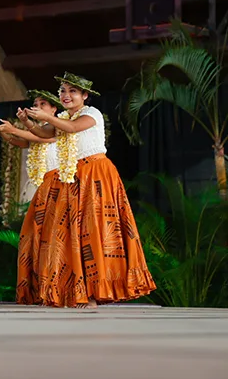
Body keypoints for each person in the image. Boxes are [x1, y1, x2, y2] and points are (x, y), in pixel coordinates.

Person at [21, 73, 156, 308]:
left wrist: (45, 117)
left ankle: (95, 294)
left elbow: (72, 128)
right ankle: (73, 291)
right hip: (73, 177)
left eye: (73, 91)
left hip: (96, 174)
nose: (66, 95)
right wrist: (28, 122)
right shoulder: (62, 117)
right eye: (63, 90)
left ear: (84, 95)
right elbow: (44, 134)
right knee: (69, 232)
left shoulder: (91, 114)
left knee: (94, 232)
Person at [0, 90, 61, 305]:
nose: (37, 106)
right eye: (35, 103)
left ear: (54, 109)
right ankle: (39, 289)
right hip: (43, 190)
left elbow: (39, 137)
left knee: (54, 240)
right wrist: (4, 133)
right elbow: (24, 143)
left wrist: (18, 127)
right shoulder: (40, 130)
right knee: (34, 239)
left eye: (43, 103)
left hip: (59, 189)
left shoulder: (59, 126)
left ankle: (56, 289)